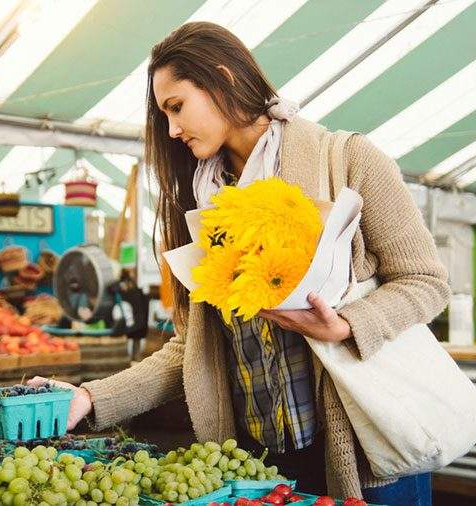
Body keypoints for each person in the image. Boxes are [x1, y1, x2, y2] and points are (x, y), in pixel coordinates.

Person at [31, 22, 449, 505]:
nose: (171, 129)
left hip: (368, 453)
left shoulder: (347, 160)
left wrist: (348, 325)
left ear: (224, 80)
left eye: (177, 106)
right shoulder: (203, 207)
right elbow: (191, 352)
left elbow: (425, 281)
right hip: (262, 469)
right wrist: (91, 398)